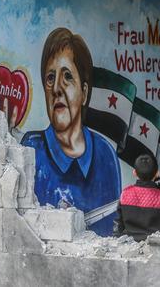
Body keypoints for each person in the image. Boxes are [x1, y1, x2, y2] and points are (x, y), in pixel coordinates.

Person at [21, 28, 121, 236]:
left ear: (84, 93)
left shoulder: (105, 155)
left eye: (67, 77)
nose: (56, 87)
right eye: (50, 78)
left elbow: (113, 232)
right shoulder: (31, 148)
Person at [113, 154, 160, 241]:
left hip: (129, 244)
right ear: (157, 173)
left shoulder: (125, 194)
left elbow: (118, 224)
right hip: (153, 244)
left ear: (134, 172)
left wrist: (116, 240)